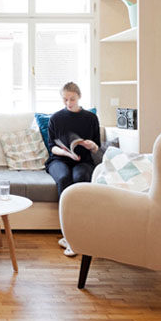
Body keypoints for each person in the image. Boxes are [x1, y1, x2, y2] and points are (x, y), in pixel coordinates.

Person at [46, 82, 100, 257]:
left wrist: (91, 146)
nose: (68, 103)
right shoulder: (55, 118)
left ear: (79, 97)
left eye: (72, 99)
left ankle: (79, 234)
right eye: (65, 99)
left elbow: (96, 148)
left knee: (81, 177)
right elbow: (52, 147)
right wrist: (66, 153)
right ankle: (67, 235)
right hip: (59, 160)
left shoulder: (90, 118)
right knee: (63, 179)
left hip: (83, 160)